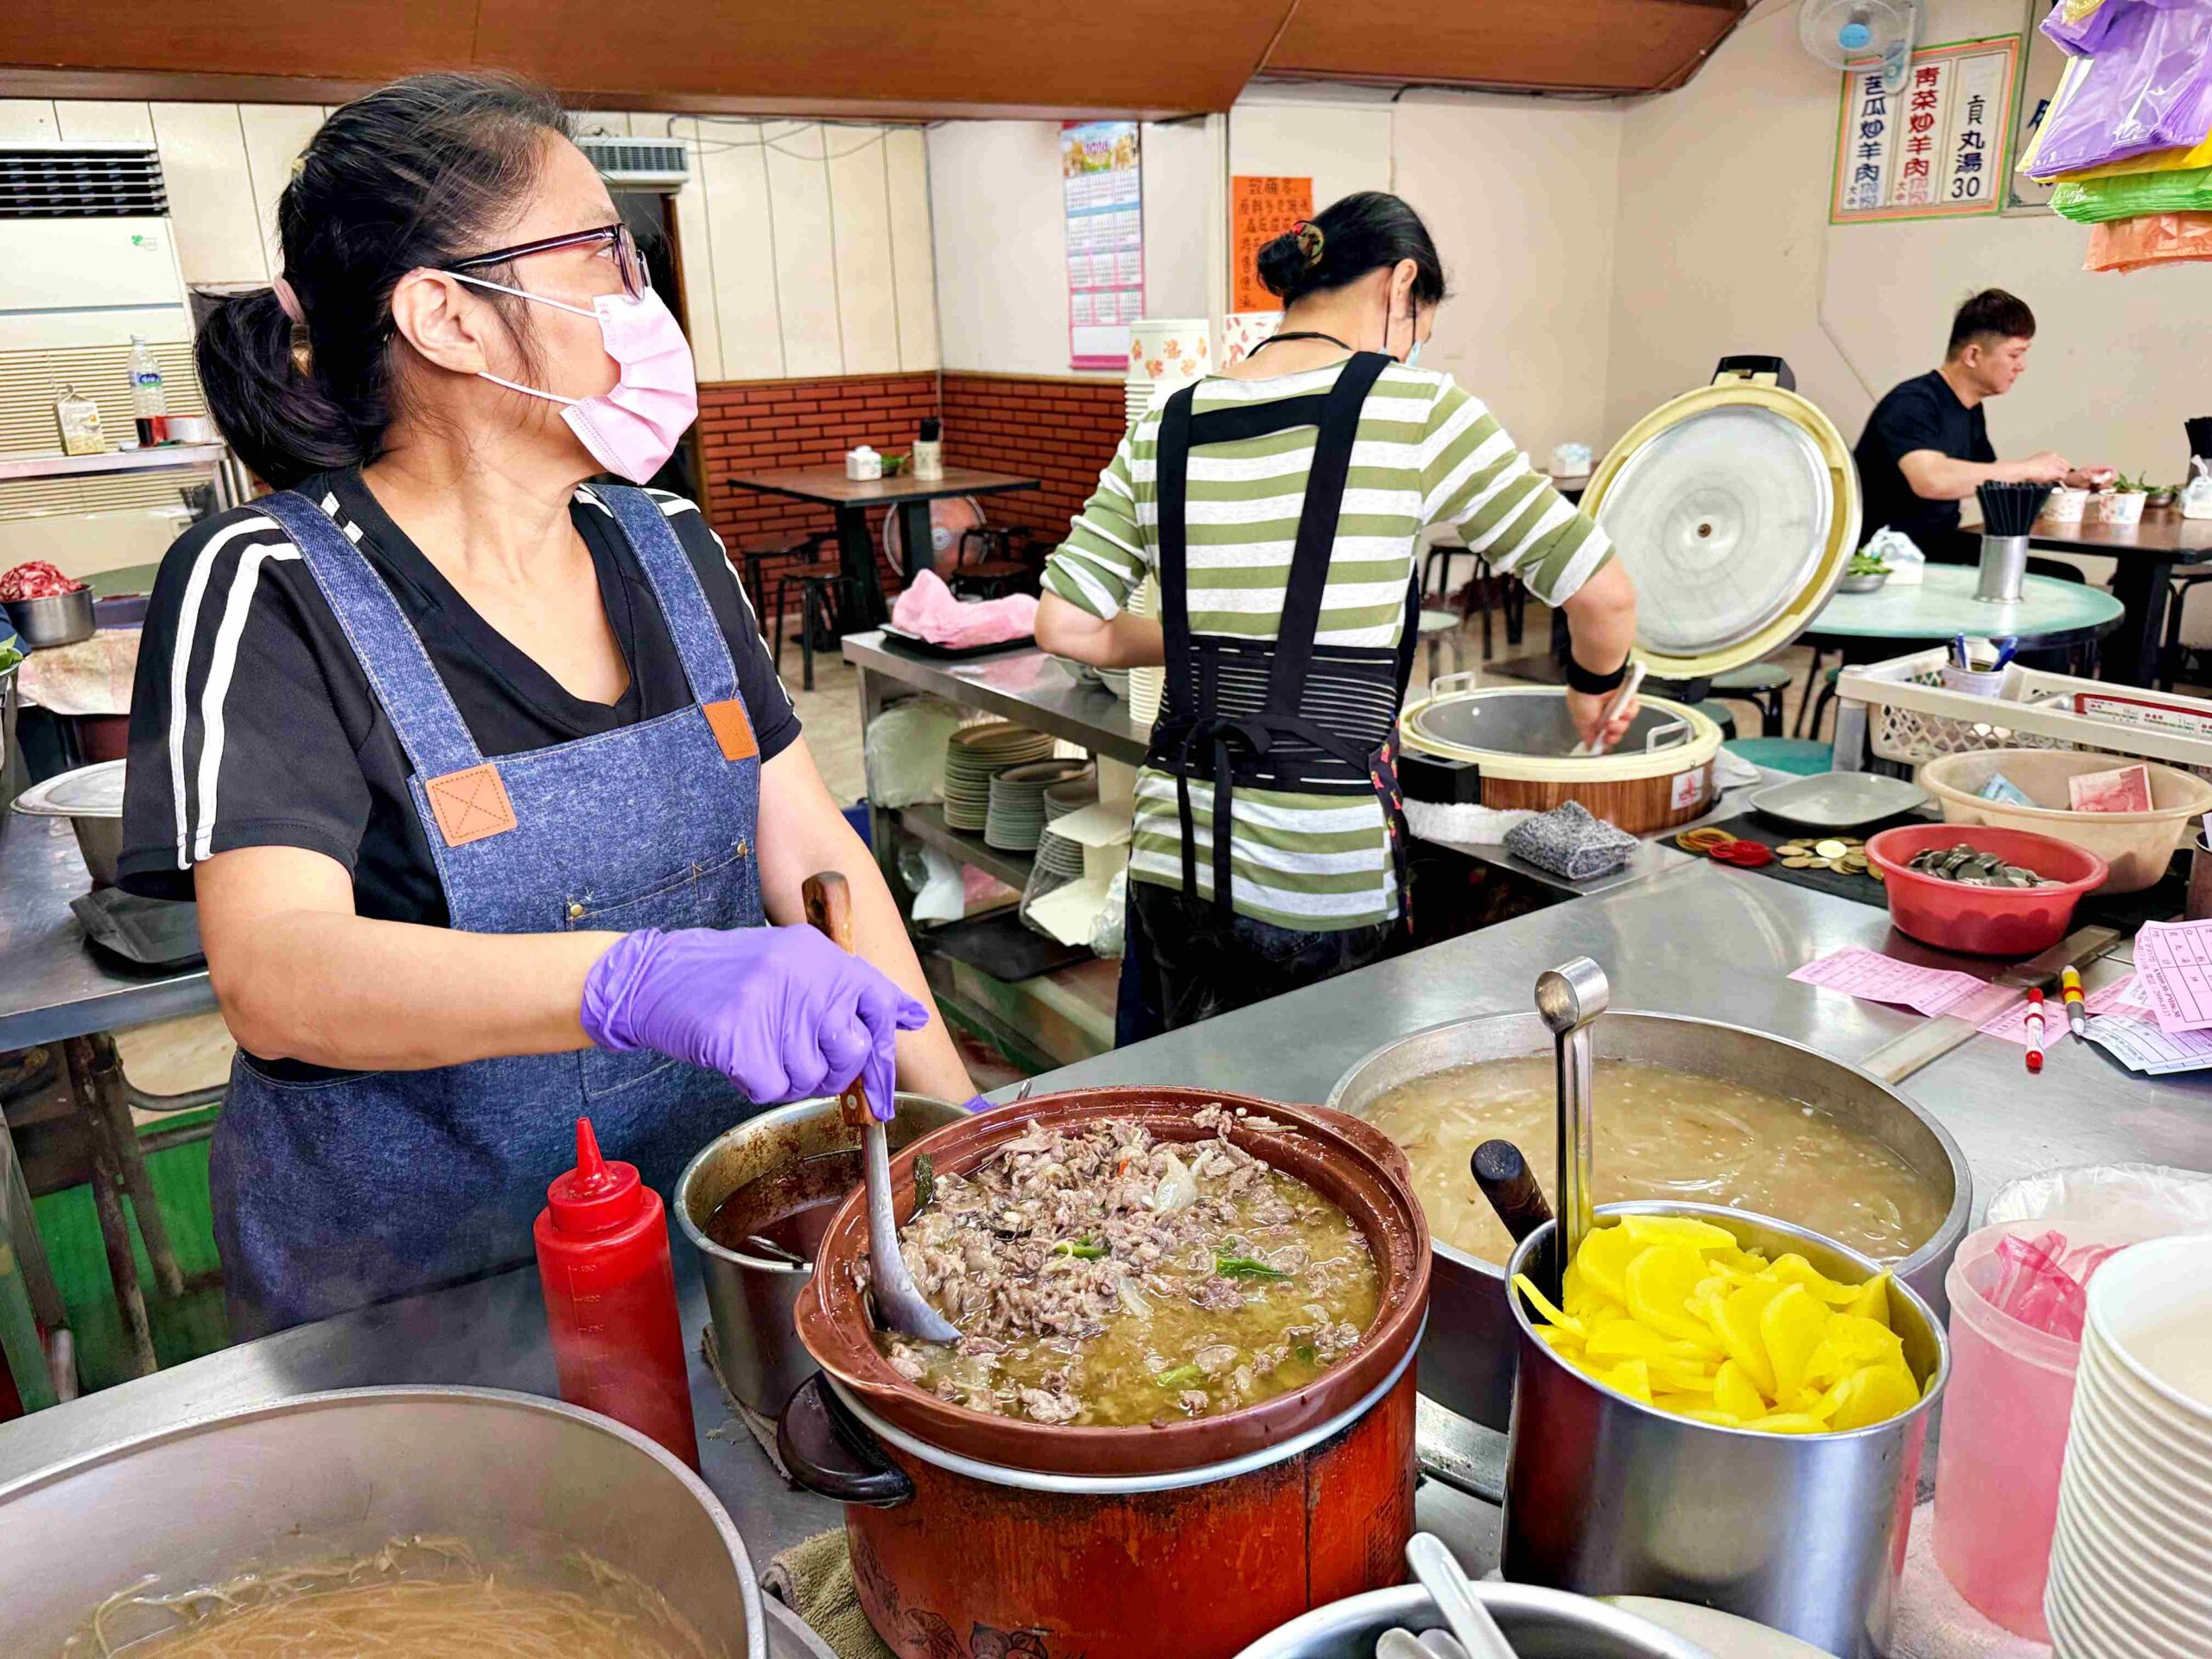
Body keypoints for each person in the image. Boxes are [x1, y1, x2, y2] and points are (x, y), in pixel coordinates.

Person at [118, 74, 976, 1336]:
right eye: (604, 257)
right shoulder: (268, 581)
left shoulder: (671, 542)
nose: (642, 300)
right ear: (449, 317)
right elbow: (275, 974)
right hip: (418, 1298)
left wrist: (958, 1137)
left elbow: (810, 850)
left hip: (712, 1231)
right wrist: (628, 978)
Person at [1035, 192, 1640, 1041]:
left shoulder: (1166, 424)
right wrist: (1595, 686)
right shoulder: (1418, 410)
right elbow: (1602, 594)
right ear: (1400, 287)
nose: (1416, 342)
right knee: (1316, 1138)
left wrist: (1229, 640)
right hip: (1321, 874)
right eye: (1420, 320)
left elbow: (1065, 627)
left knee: (1182, 1125)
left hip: (1173, 854)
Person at [1853, 288, 2109, 560]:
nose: (2021, 366)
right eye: (2014, 355)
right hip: (1889, 558)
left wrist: (2067, 478)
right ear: (1973, 355)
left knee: (2064, 577)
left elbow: (1992, 478)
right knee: (2058, 582)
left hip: (1937, 547)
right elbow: (1931, 479)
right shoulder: (1912, 403)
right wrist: (2029, 467)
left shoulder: (1970, 409)